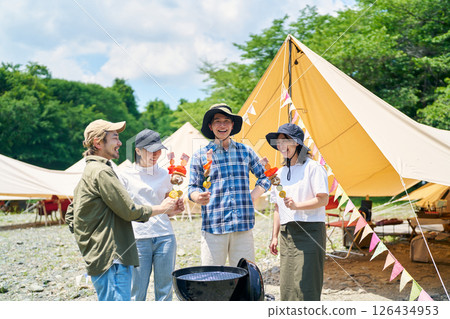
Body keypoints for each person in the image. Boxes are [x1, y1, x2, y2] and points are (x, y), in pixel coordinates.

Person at [65, 119, 182, 301]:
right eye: (115, 138)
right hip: (115, 254)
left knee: (160, 290)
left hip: (117, 251)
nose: (120, 143)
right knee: (131, 296)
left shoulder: (96, 169)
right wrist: (98, 242)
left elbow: (71, 214)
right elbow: (129, 211)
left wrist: (90, 242)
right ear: (97, 142)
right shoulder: (104, 172)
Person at [188, 103, 271, 267]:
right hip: (214, 226)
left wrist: (254, 195)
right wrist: (197, 196)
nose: (222, 125)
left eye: (226, 121)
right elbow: (192, 187)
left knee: (244, 278)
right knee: (212, 277)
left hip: (243, 224)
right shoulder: (200, 155)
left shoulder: (245, 151)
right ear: (211, 126)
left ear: (232, 125)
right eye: (217, 121)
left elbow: (266, 177)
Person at [117, 129, 183, 301]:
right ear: (137, 150)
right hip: (138, 238)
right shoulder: (124, 175)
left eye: (158, 150)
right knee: (136, 292)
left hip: (165, 236)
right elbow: (124, 209)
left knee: (165, 290)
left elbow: (166, 210)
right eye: (150, 150)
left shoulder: (165, 175)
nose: (156, 154)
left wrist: (175, 209)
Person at [266, 123, 329, 301]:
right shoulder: (279, 172)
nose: (281, 146)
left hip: (310, 231)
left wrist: (297, 206)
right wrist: (274, 236)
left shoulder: (313, 167)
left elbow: (323, 199)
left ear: (297, 144)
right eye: (278, 142)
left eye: (286, 141)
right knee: (287, 286)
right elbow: (278, 207)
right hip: (287, 235)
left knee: (306, 285)